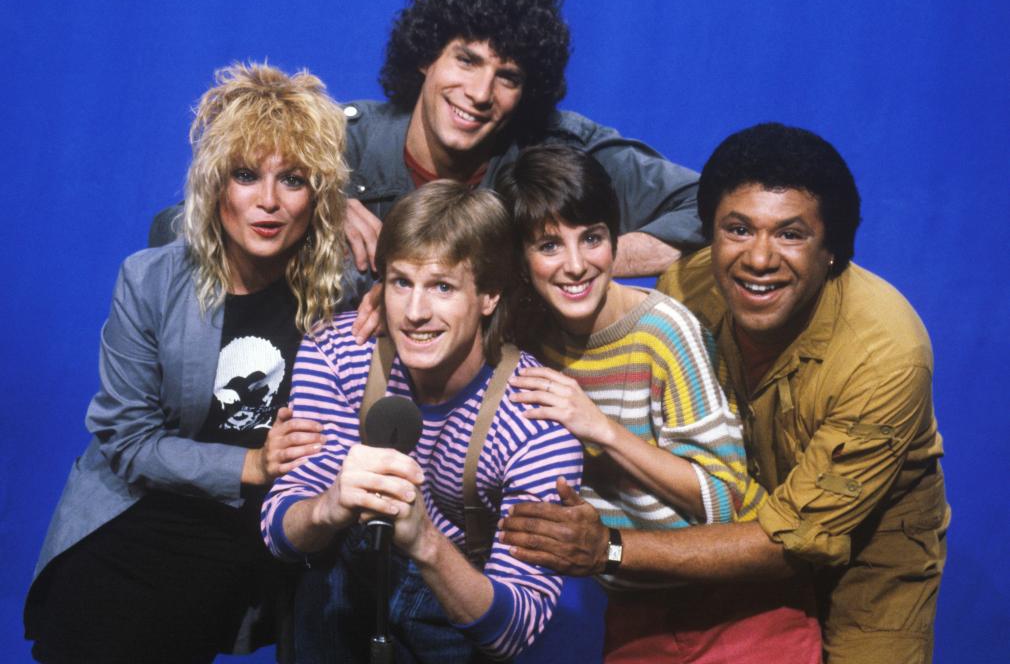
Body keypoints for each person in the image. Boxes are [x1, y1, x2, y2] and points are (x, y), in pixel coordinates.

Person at [503, 124, 949, 663]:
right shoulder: (687, 289)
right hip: (711, 548)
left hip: (862, 548)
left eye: (790, 234)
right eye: (737, 230)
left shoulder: (886, 355)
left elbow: (793, 541)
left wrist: (608, 548)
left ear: (832, 249)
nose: (759, 259)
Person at [24, 63, 348, 663]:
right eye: (247, 175)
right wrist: (252, 462)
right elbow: (126, 439)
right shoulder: (150, 281)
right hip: (134, 532)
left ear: (320, 197)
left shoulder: (341, 298)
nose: (269, 202)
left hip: (235, 554)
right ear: (215, 184)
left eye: (294, 179)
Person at [149, 0, 703, 294]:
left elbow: (714, 210)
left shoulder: (555, 149)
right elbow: (175, 228)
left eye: (506, 76)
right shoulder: (335, 142)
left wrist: (568, 261)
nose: (480, 93)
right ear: (425, 59)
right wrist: (315, 214)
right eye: (466, 60)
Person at [496, 145, 821, 663]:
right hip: (636, 614)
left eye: (593, 239)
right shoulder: (525, 337)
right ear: (518, 258)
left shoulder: (664, 331)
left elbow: (728, 499)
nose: (577, 266)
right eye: (549, 245)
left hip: (740, 615)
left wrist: (600, 428)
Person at [260, 181, 584, 662]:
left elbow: (513, 630)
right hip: (342, 593)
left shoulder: (536, 420)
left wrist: (425, 541)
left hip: (453, 602)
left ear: (490, 295)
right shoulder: (336, 353)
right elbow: (277, 530)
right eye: (401, 282)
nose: (414, 313)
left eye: (443, 287)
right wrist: (328, 507)